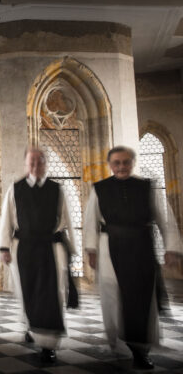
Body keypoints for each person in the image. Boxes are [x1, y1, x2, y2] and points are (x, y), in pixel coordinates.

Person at [83, 145, 182, 370]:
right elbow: (91, 221)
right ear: (110, 165)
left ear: (132, 163)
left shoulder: (148, 187)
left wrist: (172, 248)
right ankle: (118, 342)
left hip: (141, 247)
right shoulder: (99, 188)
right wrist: (91, 250)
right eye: (116, 163)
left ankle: (141, 349)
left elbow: (164, 219)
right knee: (113, 296)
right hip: (109, 248)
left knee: (141, 299)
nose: (121, 167)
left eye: (126, 162)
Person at [0, 146, 78, 363]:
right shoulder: (15, 189)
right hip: (23, 248)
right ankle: (31, 326)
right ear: (26, 164)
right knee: (27, 291)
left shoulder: (57, 189)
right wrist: (4, 248)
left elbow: (67, 219)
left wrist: (73, 248)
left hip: (51, 249)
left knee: (52, 294)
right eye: (32, 161)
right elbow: (6, 220)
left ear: (46, 163)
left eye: (40, 161)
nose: (36, 165)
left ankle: (48, 345)